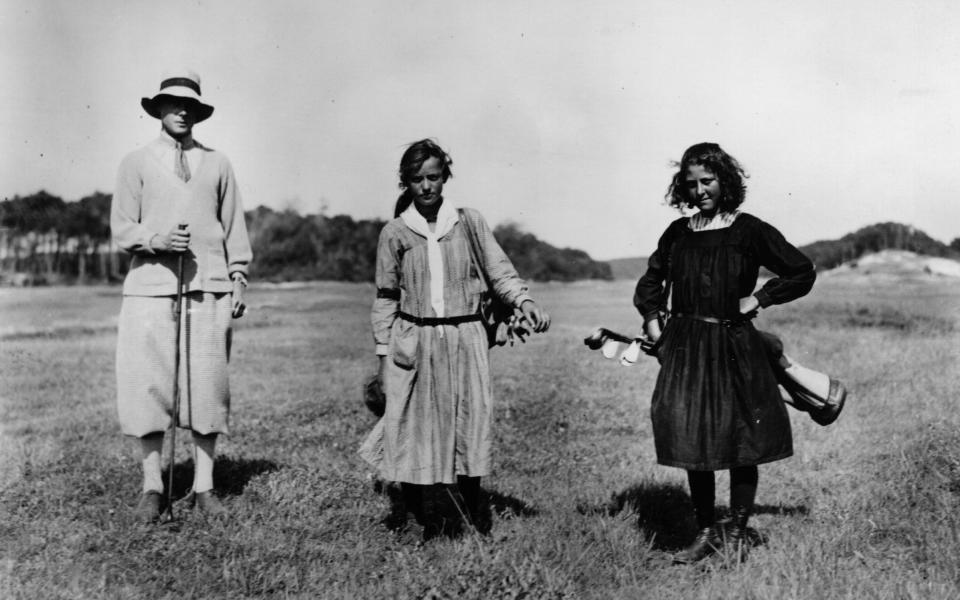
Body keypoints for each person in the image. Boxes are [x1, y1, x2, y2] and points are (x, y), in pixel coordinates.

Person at [633, 142, 815, 563]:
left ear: (725, 181)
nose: (699, 191)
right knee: (691, 436)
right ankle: (704, 531)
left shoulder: (749, 230)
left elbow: (801, 270)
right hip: (685, 347)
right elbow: (651, 281)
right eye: (691, 183)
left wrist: (760, 299)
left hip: (733, 343)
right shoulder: (678, 234)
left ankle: (735, 530)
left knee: (739, 438)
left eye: (708, 181)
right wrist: (652, 320)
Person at [359, 139, 550, 539]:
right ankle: (414, 517)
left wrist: (524, 300)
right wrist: (383, 357)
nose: (426, 186)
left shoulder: (469, 222)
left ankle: (472, 515)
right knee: (413, 426)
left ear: (445, 176)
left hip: (466, 338)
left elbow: (500, 272)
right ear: (405, 182)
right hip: (414, 339)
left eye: (433, 177)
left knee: (469, 423)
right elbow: (386, 297)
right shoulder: (395, 232)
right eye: (416, 179)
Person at [111, 69, 252, 522]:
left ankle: (204, 486)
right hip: (150, 289)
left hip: (208, 289)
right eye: (173, 103)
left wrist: (238, 276)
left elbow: (234, 229)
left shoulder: (218, 163)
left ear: (199, 111)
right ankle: (153, 485)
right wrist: (156, 238)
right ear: (157, 109)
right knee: (146, 384)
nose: (182, 110)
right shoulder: (134, 163)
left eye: (190, 104)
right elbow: (121, 229)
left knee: (208, 387)